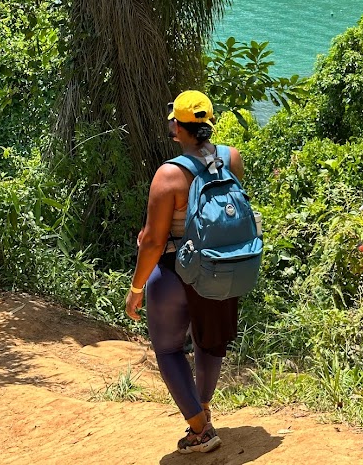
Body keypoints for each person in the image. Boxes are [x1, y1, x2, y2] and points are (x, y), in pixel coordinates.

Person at [125, 90, 244, 454]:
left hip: (177, 272)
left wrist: (136, 287)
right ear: (208, 123)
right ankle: (204, 409)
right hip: (221, 268)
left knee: (168, 349)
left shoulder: (169, 175)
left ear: (177, 127)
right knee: (209, 340)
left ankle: (199, 429)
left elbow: (153, 242)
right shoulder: (231, 158)